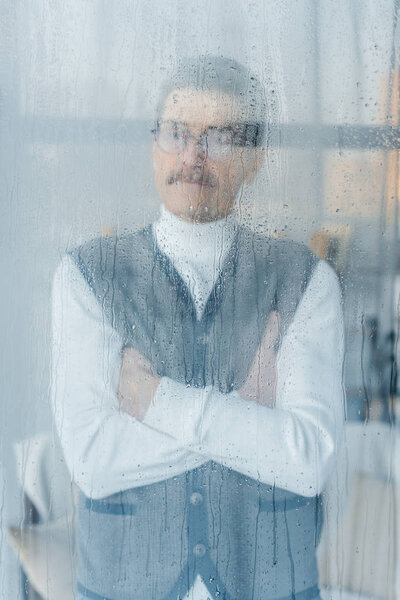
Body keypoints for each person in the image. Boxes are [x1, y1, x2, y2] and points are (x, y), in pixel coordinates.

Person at [51, 55, 345, 600]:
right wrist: (244, 414)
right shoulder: (86, 276)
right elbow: (91, 461)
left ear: (254, 158)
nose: (192, 156)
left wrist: (154, 400)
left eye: (219, 137)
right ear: (153, 145)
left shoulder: (308, 281)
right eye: (177, 133)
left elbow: (307, 463)